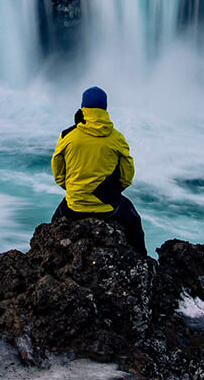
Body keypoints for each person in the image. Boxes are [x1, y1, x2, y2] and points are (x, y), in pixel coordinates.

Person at [50, 86, 147, 256]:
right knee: (134, 221)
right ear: (105, 108)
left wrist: (72, 187)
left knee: (53, 226)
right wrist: (114, 191)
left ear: (82, 107)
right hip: (108, 209)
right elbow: (128, 174)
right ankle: (142, 259)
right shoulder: (116, 138)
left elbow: (57, 169)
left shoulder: (67, 135)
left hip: (75, 207)